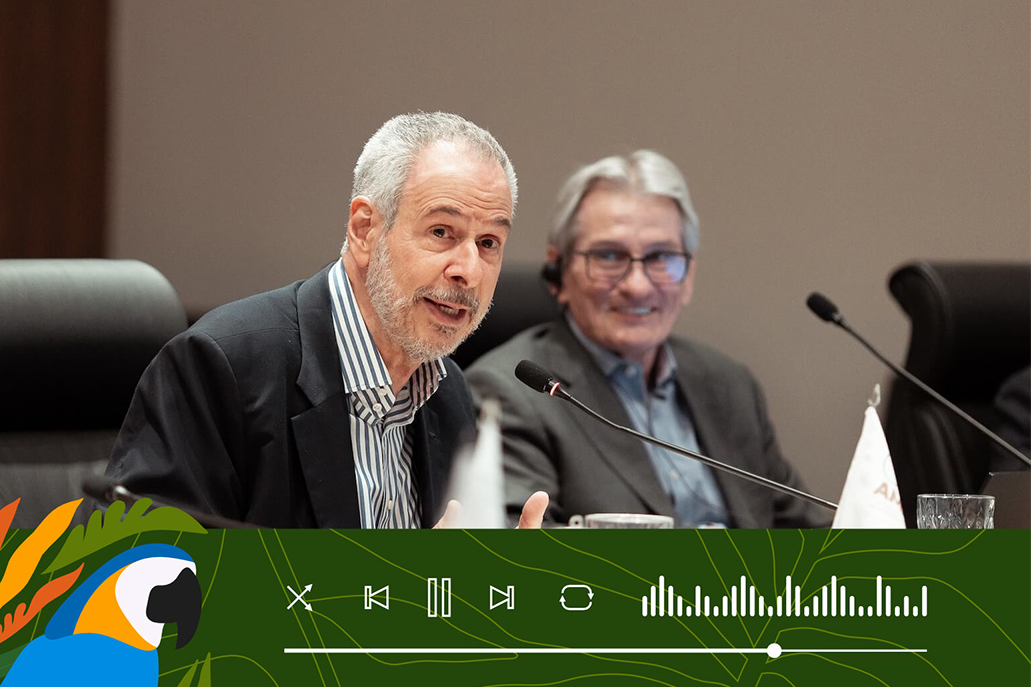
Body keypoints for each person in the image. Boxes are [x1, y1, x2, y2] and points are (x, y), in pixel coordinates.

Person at [107, 112, 547, 528]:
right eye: (441, 232)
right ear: (364, 230)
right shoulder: (221, 367)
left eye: (489, 242)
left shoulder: (446, 392)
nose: (468, 269)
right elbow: (140, 576)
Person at [466, 150, 830, 528]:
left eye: (661, 257)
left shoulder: (729, 386)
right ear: (558, 273)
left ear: (688, 276)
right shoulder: (509, 394)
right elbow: (527, 554)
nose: (637, 286)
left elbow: (808, 540)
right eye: (608, 256)